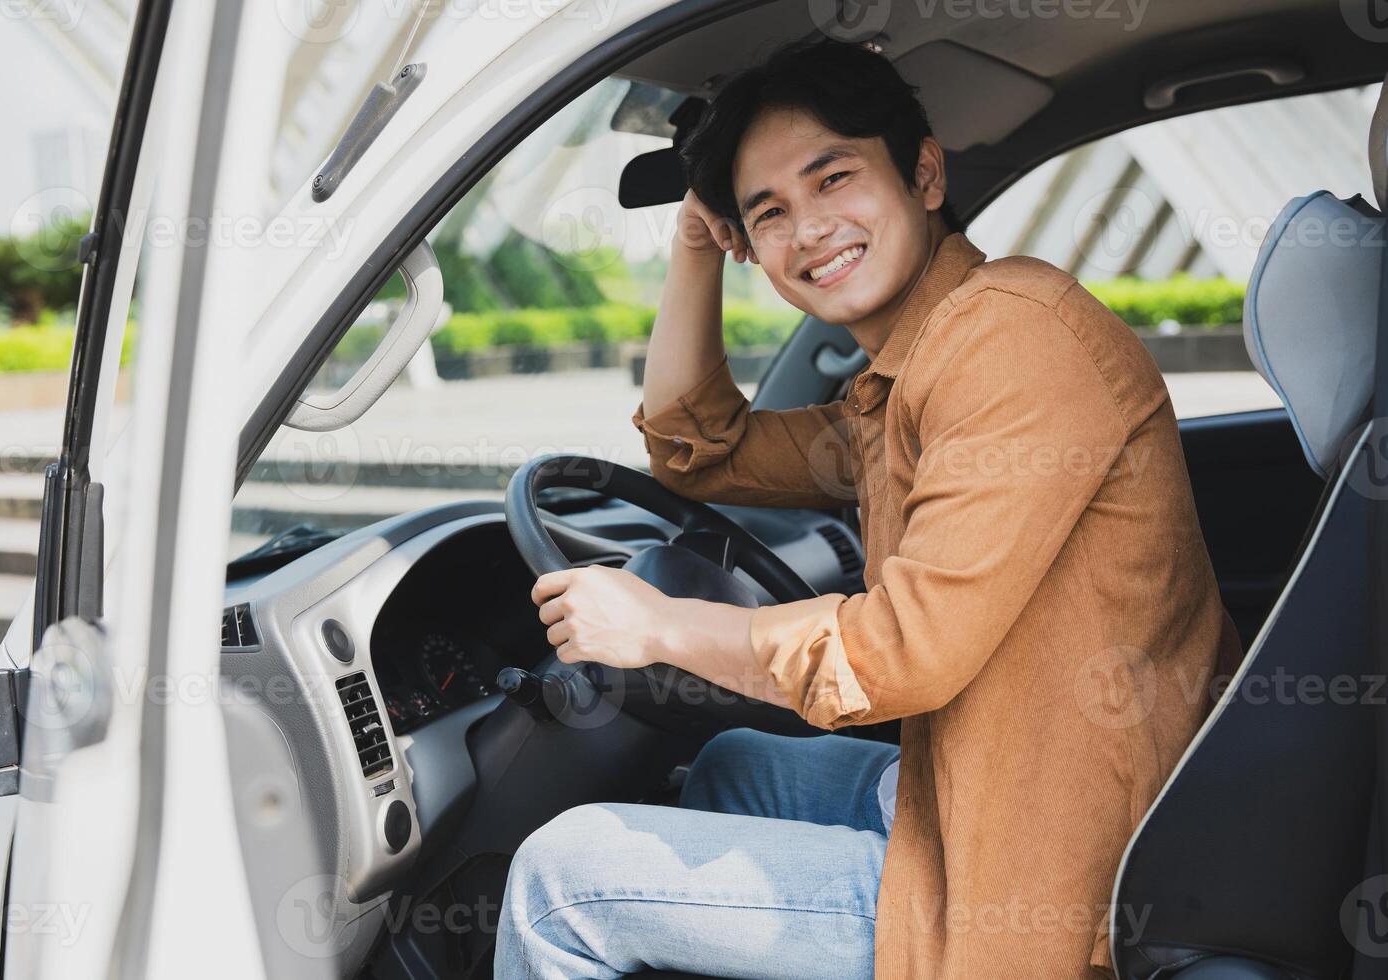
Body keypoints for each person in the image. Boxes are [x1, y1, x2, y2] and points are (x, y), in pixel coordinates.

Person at [494, 38, 1239, 980]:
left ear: (924, 173)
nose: (807, 230)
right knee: (731, 766)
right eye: (768, 213)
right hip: (989, 788)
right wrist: (695, 238)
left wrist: (663, 625)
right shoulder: (904, 384)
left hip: (1049, 878)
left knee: (563, 880)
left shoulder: (1008, 341)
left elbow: (898, 655)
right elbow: (697, 450)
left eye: (832, 178)